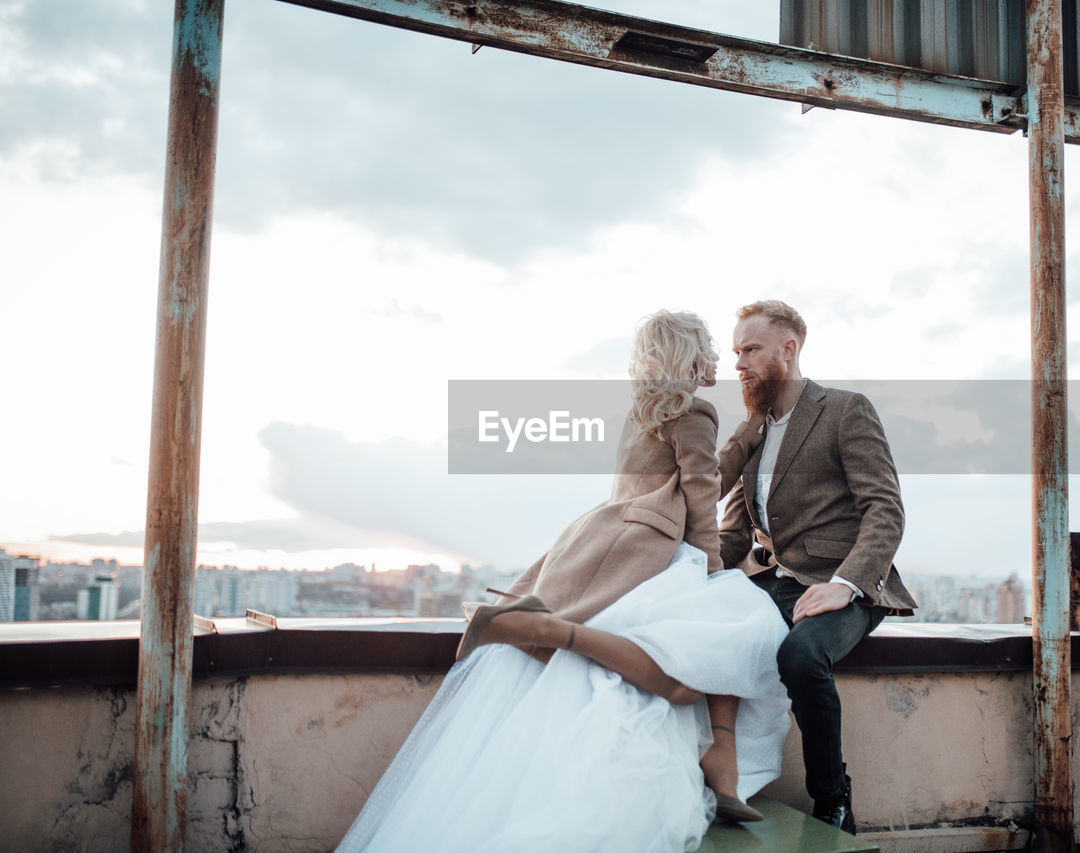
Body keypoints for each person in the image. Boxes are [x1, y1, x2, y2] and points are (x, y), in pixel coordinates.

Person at [336, 310, 790, 853]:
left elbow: (683, 473)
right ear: (689, 354)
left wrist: (744, 434)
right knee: (725, 637)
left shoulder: (644, 410)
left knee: (708, 649)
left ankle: (722, 763)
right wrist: (710, 565)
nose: (720, 358)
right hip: (652, 545)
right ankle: (542, 632)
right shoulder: (695, 409)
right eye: (711, 347)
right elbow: (698, 488)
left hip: (604, 535)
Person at [719, 300, 916, 835]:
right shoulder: (754, 434)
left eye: (750, 350)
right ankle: (721, 788)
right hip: (773, 583)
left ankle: (833, 800)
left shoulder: (846, 409)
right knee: (703, 641)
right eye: (736, 352)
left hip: (843, 585)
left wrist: (845, 584)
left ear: (789, 348)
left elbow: (885, 508)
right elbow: (731, 529)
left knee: (802, 655)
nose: (738, 363)